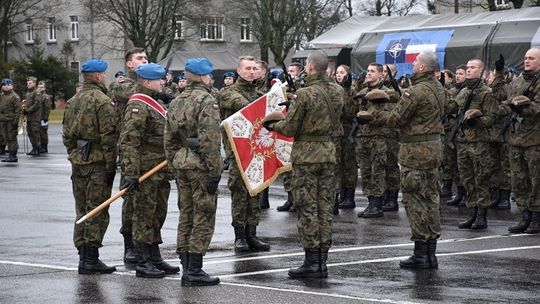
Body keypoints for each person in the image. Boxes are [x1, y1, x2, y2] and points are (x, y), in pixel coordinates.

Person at [361, 51, 444, 269]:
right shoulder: (438, 89)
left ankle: (421, 253)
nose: (413, 65)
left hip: (415, 151)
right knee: (431, 199)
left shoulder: (414, 92)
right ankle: (430, 253)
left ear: (423, 68)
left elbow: (395, 119)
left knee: (415, 201)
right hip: (434, 149)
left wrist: (376, 110)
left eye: (416, 63)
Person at [263, 50, 342, 278]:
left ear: (309, 67)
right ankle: (322, 260)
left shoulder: (304, 94)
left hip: (307, 156)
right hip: (328, 152)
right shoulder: (338, 91)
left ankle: (311, 261)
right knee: (325, 207)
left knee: (307, 208)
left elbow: (289, 127)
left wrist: (272, 125)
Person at [164, 57, 222, 286]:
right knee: (203, 215)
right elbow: (210, 139)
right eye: (209, 75)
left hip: (182, 163)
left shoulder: (177, 101)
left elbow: (168, 138)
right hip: (200, 166)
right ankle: (195, 269)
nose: (211, 78)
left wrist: (173, 162)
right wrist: (215, 170)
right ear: (202, 77)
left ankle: (187, 267)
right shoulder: (207, 101)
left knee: (186, 214)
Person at [118, 63, 179, 278]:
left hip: (159, 170)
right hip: (145, 171)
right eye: (159, 79)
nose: (163, 82)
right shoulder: (138, 105)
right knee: (144, 215)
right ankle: (143, 261)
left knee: (157, 214)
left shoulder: (155, 102)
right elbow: (129, 142)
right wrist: (131, 173)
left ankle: (155, 256)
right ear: (146, 82)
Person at [62, 59, 118, 274]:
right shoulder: (102, 101)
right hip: (97, 162)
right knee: (97, 209)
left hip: (79, 160)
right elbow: (108, 138)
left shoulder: (72, 101)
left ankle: (83, 256)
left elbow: (67, 135)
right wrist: (111, 166)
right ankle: (90, 258)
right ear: (97, 76)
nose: (104, 77)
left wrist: (74, 154)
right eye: (103, 74)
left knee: (81, 209)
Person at [217, 55, 269, 252]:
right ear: (239, 71)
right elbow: (245, 106)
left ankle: (252, 233)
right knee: (239, 193)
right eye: (247, 68)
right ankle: (239, 235)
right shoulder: (227, 93)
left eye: (255, 68)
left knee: (255, 192)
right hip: (238, 152)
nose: (252, 72)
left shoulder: (260, 94)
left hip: (257, 150)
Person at [109, 47, 148, 265]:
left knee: (150, 202)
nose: (144, 60)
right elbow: (133, 92)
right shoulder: (121, 84)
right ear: (129, 65)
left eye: (146, 58)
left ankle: (148, 246)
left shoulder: (154, 84)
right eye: (139, 58)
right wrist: (151, 80)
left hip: (151, 152)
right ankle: (129, 245)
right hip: (130, 151)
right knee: (131, 200)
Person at [450, 58, 497, 230]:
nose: (468, 70)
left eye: (472, 68)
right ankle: (472, 212)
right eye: (467, 67)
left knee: (481, 179)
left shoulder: (486, 92)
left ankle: (482, 216)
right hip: (463, 141)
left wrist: (475, 121)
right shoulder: (462, 92)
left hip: (479, 142)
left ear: (481, 71)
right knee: (467, 179)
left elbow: (492, 118)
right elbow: (451, 107)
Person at [505, 48, 540, 234]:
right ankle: (525, 215)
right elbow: (508, 100)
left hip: (535, 139)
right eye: (525, 57)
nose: (527, 61)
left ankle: (536, 216)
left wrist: (524, 109)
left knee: (536, 180)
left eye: (531, 58)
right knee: (519, 180)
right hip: (517, 138)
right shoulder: (518, 81)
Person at [487, 56, 512, 210]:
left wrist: (499, 74)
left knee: (506, 166)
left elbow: (505, 104)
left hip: (505, 132)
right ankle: (495, 195)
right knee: (493, 165)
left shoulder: (508, 87)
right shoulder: (491, 90)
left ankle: (505, 197)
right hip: (492, 132)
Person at [334, 64, 356, 215]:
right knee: (338, 164)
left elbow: (351, 112)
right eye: (337, 73)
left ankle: (349, 195)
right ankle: (341, 193)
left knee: (349, 164)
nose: (339, 75)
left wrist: (347, 92)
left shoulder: (351, 91)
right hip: (336, 132)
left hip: (348, 131)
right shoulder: (334, 91)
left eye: (342, 73)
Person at [445, 65, 467, 206]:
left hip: (462, 132)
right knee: (452, 164)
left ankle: (466, 195)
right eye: (457, 73)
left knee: (463, 166)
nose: (458, 76)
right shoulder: (452, 90)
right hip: (450, 130)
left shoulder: (467, 91)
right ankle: (459, 193)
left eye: (461, 73)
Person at [0, 79, 22, 163]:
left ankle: (13, 155)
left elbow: (18, 110)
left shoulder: (14, 96)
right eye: (4, 85)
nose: (6, 86)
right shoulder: (2, 96)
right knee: (6, 138)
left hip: (11, 121)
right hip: (3, 120)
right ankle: (10, 154)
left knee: (11, 138)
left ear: (12, 86)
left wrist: (15, 122)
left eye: (8, 84)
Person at [23, 76, 42, 156]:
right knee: (30, 132)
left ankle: (37, 148)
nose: (28, 85)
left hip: (35, 117)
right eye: (27, 83)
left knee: (35, 133)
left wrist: (28, 110)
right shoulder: (28, 93)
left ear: (34, 83)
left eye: (30, 83)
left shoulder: (36, 92)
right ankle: (34, 147)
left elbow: (36, 104)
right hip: (29, 117)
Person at [37, 81, 51, 153]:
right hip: (37, 118)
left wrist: (46, 117)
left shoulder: (46, 97)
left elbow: (47, 108)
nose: (40, 88)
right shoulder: (36, 96)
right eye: (39, 87)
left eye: (41, 87)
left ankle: (44, 147)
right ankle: (39, 146)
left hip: (43, 118)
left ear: (44, 88)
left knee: (43, 133)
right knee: (38, 133)